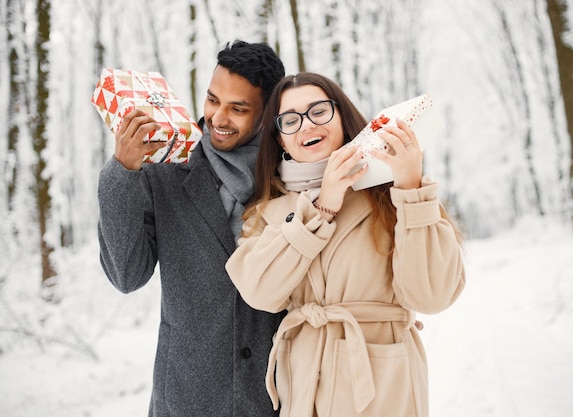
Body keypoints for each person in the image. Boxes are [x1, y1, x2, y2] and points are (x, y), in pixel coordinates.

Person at [225, 72, 466, 416]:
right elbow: (260, 293)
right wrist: (322, 206)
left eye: (319, 111)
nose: (307, 125)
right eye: (290, 120)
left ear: (342, 116)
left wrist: (412, 189)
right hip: (305, 387)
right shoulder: (267, 213)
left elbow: (433, 295)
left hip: (384, 384)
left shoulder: (391, 193)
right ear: (280, 139)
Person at [97, 40, 286, 416]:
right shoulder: (163, 165)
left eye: (238, 108)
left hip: (274, 397)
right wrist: (122, 172)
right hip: (186, 397)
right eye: (213, 99)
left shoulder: (290, 175)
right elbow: (126, 276)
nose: (218, 118)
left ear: (267, 113)